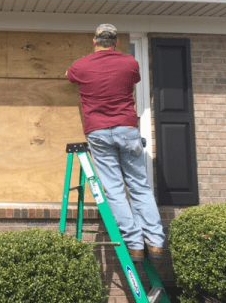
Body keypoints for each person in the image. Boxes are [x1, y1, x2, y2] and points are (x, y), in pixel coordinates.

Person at [65, 24, 165, 262]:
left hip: (98, 132)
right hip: (127, 129)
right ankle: (155, 241)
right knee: (139, 186)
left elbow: (69, 76)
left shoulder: (81, 66)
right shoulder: (130, 63)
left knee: (114, 190)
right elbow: (135, 79)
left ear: (95, 41)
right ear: (116, 42)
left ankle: (134, 244)